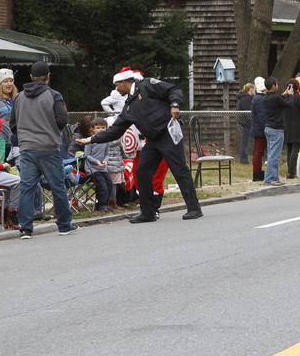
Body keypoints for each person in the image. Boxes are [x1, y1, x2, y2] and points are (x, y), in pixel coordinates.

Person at [79, 70, 203, 222]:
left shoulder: (147, 85)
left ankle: (194, 208)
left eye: (118, 85)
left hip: (167, 134)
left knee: (179, 170)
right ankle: (148, 212)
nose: (117, 89)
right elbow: (114, 131)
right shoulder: (129, 106)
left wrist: (175, 104)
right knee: (142, 172)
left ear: (125, 82)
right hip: (152, 140)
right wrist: (92, 139)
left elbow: (173, 89)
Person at [11, 61, 77, 238]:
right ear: (49, 76)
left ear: (31, 77)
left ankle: (25, 228)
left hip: (27, 148)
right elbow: (62, 120)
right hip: (49, 147)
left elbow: (13, 125)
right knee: (57, 186)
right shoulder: (54, 95)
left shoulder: (19, 97)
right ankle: (64, 225)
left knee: (27, 187)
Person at [0, 113, 20, 229]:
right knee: (18, 181)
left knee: (10, 184)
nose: (0, 128)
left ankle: (1, 210)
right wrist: (1, 166)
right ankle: (12, 212)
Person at [81, 117, 118, 212]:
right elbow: (87, 155)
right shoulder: (90, 140)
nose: (101, 129)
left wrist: (105, 161)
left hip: (102, 168)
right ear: (93, 129)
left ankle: (106, 203)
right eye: (98, 127)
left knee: (109, 183)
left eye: (103, 127)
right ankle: (101, 205)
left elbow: (107, 154)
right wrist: (96, 162)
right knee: (102, 184)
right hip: (92, 169)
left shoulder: (106, 141)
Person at [262, 77, 293, 185]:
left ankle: (273, 177)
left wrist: (284, 95)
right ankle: (270, 178)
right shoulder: (276, 98)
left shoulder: (266, 97)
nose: (278, 86)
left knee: (271, 154)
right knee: (274, 155)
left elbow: (278, 100)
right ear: (274, 86)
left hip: (268, 128)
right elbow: (288, 105)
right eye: (277, 84)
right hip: (276, 129)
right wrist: (290, 95)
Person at [282, 78, 300, 178]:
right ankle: (291, 172)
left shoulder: (284, 99)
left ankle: (290, 171)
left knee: (290, 149)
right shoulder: (299, 98)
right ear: (297, 87)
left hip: (287, 127)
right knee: (295, 149)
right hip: (298, 127)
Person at [250, 76, 267, 181]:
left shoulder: (258, 98)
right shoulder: (260, 99)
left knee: (258, 152)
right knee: (258, 153)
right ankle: (257, 174)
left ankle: (258, 173)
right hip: (261, 130)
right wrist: (266, 128)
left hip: (258, 129)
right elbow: (262, 116)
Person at [235, 82, 255, 164]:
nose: (255, 92)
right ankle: (243, 160)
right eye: (254, 90)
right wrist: (252, 121)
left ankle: (244, 159)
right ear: (250, 90)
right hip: (245, 124)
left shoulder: (245, 98)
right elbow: (248, 113)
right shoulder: (246, 99)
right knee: (245, 142)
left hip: (244, 123)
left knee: (245, 142)